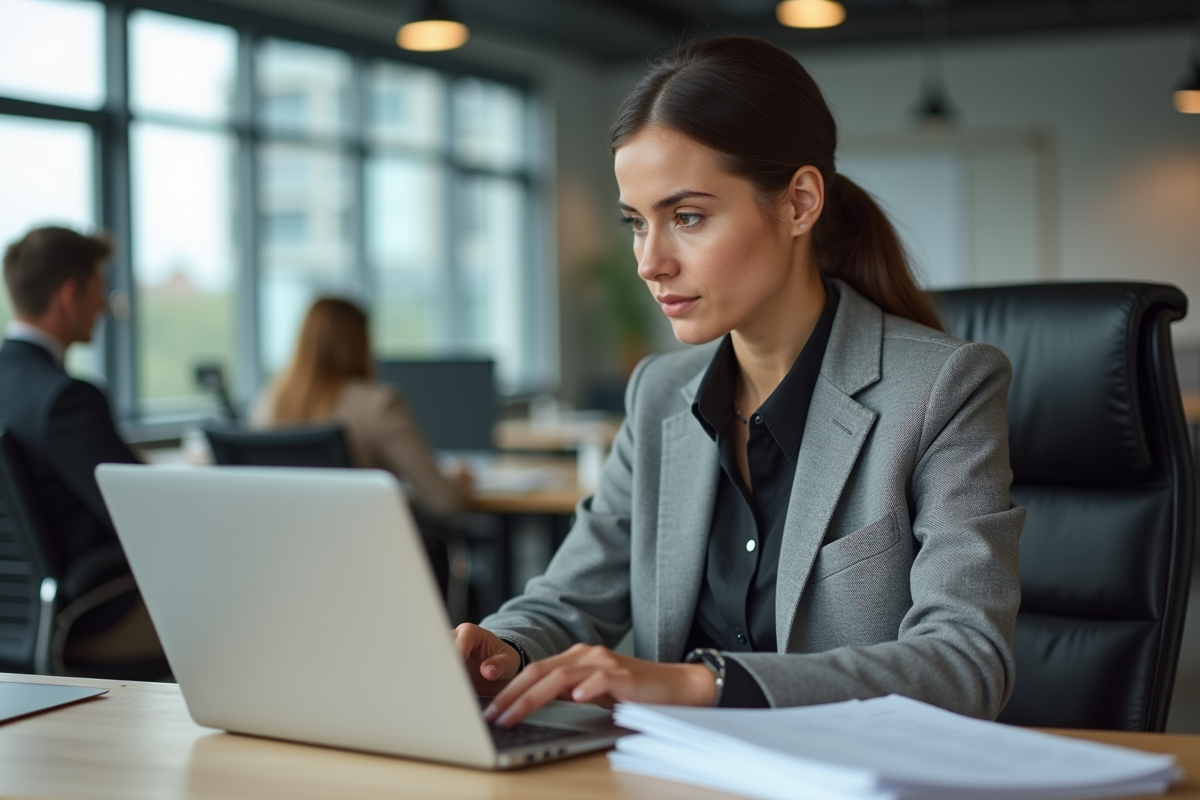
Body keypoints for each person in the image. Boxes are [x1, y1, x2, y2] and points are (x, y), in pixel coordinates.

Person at [455, 36, 1024, 726]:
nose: (650, 262)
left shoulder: (942, 389)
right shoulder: (660, 392)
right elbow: (571, 600)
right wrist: (503, 649)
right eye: (637, 223)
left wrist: (705, 684)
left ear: (799, 204)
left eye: (687, 217)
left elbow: (965, 663)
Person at [0, 226, 163, 672]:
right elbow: (146, 516)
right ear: (70, 295)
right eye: (98, 290)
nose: (102, 306)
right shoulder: (67, 400)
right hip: (86, 615)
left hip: (14, 615)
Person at [252, 297, 471, 519]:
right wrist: (460, 480)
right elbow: (442, 500)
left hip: (282, 549)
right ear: (360, 343)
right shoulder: (379, 404)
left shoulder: (266, 402)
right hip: (361, 549)